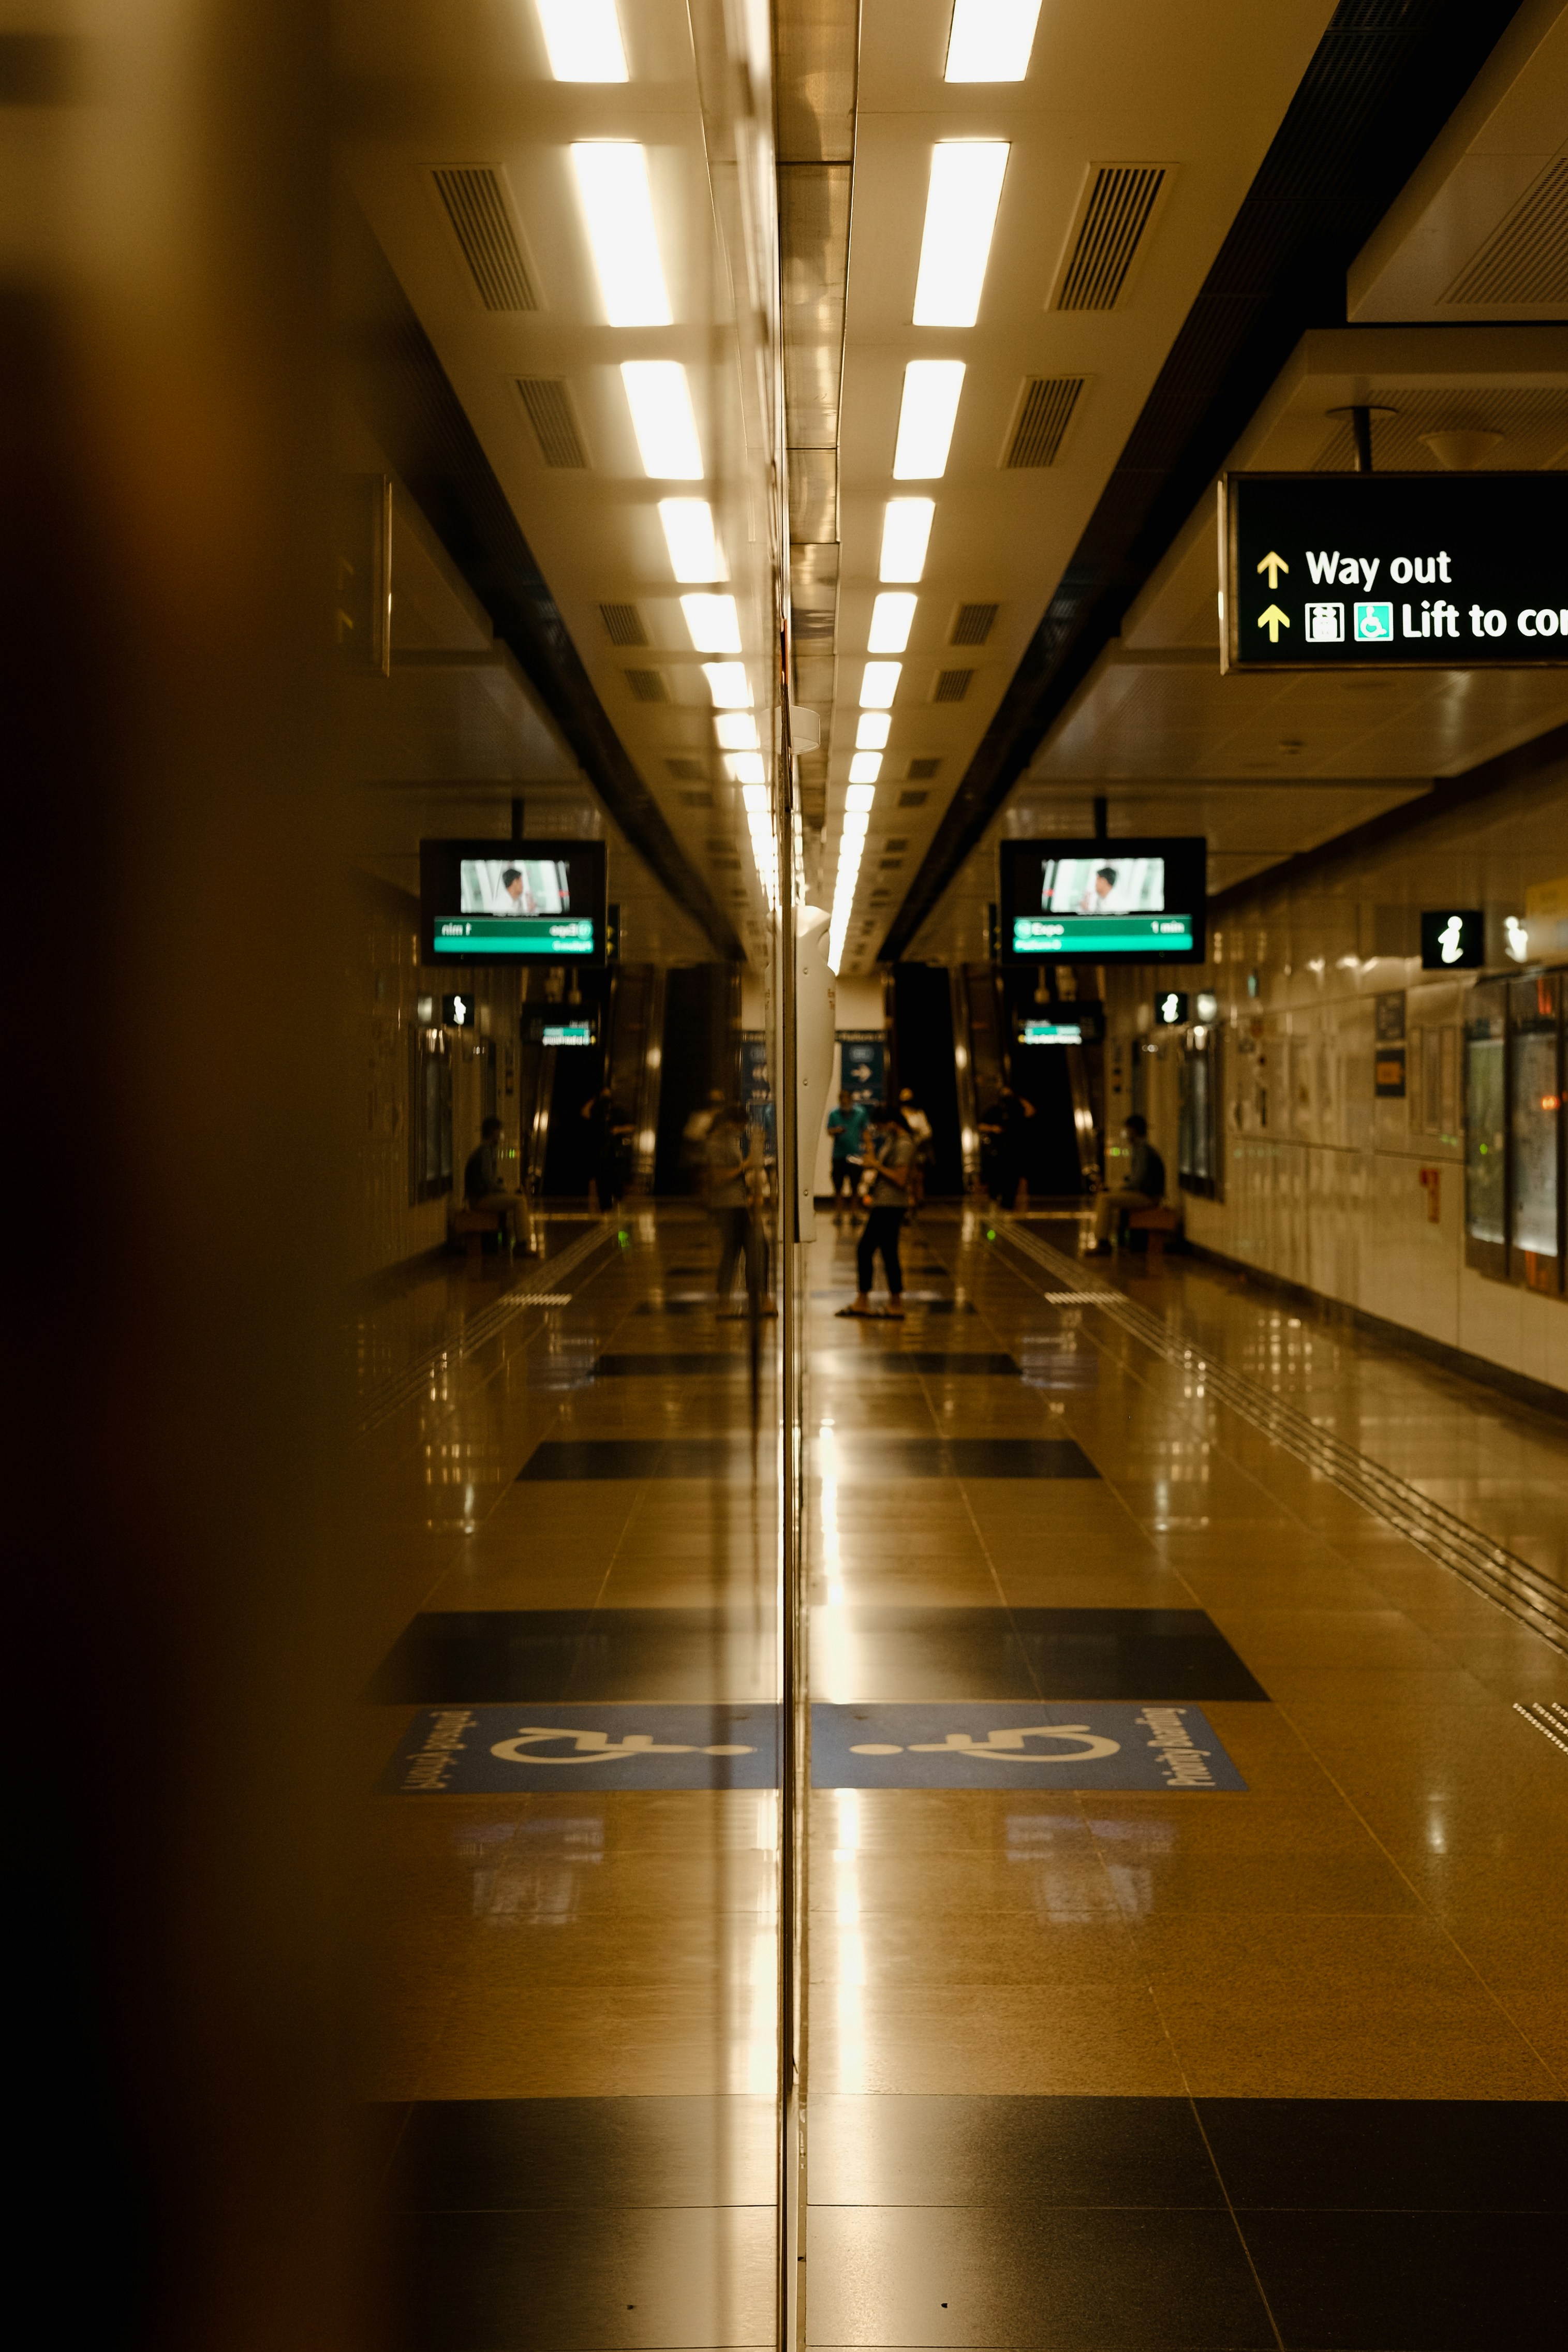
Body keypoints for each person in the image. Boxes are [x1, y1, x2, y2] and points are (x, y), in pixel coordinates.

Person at [842, 1108, 915, 1319]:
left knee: (868, 1250)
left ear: (892, 1123)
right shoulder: (894, 1141)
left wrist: (876, 1167)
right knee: (885, 1252)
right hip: (884, 1203)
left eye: (882, 1126)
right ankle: (887, 1301)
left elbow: (900, 1179)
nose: (881, 1130)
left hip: (891, 1205)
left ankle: (873, 1301)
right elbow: (879, 1163)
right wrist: (869, 1145)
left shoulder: (904, 1144)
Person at [705, 1103, 773, 1316]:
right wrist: (745, 1165)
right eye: (739, 1125)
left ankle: (758, 1297)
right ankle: (728, 1301)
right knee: (735, 1251)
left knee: (756, 1248)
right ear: (729, 1123)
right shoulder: (716, 1143)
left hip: (738, 1202)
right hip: (728, 1205)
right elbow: (718, 1178)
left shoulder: (730, 1141)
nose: (742, 1129)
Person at [1088, 1112, 1166, 1252]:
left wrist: (1119, 1188)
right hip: (1147, 1194)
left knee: (1105, 1199)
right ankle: (1111, 1238)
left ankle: (1103, 1241)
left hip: (1148, 1196)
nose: (1126, 1134)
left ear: (1133, 1131)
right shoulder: (1142, 1149)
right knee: (1110, 1196)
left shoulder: (1142, 1151)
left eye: (1127, 1130)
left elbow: (1137, 1181)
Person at [462, 1114, 528, 1252]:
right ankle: (522, 1243)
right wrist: (503, 1190)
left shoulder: (483, 1150)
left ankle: (509, 1239)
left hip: (478, 1197)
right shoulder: (486, 1151)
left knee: (514, 1196)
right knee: (520, 1201)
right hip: (480, 1199)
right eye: (499, 1132)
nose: (500, 1135)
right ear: (494, 1132)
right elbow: (488, 1180)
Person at [977, 1083, 1036, 1210]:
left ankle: (1008, 1204)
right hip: (998, 1150)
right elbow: (980, 1125)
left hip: (1013, 1150)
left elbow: (1031, 1111)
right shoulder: (995, 1109)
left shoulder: (1016, 1110)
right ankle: (995, 1197)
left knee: (1012, 1176)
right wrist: (993, 1129)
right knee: (997, 1175)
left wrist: (1018, 1098)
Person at [582, 1086, 633, 1210]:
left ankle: (618, 1200)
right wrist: (594, 1100)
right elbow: (585, 1113)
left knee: (616, 1178)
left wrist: (618, 1130)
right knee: (602, 1180)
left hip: (615, 1151)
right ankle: (606, 1207)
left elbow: (632, 1126)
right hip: (601, 1151)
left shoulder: (618, 1111)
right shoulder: (598, 1111)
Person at [826, 1089, 870, 1220]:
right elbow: (829, 1131)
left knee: (855, 1186)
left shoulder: (860, 1113)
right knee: (838, 1186)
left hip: (855, 1154)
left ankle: (854, 1213)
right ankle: (838, 1213)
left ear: (851, 1100)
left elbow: (865, 1131)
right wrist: (837, 1131)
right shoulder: (834, 1113)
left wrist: (869, 1150)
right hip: (839, 1155)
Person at [897, 1085, 933, 1218]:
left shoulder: (918, 1114)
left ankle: (918, 1201)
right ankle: (908, 1202)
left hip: (917, 1149)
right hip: (903, 1149)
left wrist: (916, 1135)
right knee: (907, 1176)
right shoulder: (899, 1114)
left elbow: (927, 1132)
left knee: (917, 1177)